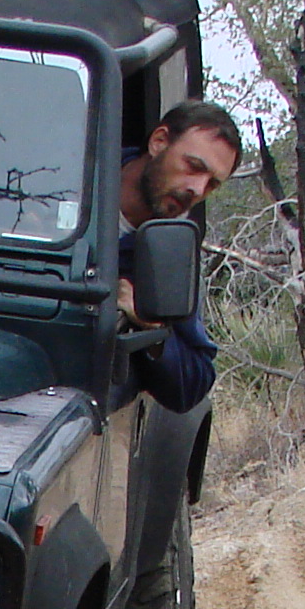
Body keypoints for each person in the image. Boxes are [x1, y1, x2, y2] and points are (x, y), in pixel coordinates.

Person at [114, 100, 241, 415]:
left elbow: (192, 384)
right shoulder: (65, 177)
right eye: (193, 166)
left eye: (212, 184)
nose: (197, 189)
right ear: (159, 142)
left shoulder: (171, 250)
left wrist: (149, 325)